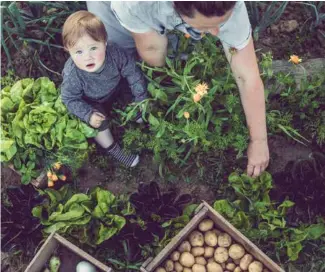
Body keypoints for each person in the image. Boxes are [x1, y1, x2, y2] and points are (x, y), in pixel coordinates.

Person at [87, 1, 269, 177]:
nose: (216, 32)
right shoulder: (136, 4)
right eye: (208, 26)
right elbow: (152, 50)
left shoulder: (231, 5)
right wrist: (165, 87)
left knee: (175, 50)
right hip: (116, 7)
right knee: (120, 60)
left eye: (221, 23)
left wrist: (259, 140)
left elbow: (247, 78)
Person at [61, 11, 148, 168]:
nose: (88, 57)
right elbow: (69, 99)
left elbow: (132, 72)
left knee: (131, 91)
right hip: (92, 100)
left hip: (116, 87)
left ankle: (141, 118)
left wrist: (140, 97)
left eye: (93, 48)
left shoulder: (115, 53)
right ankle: (114, 149)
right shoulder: (73, 74)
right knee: (98, 124)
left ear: (105, 42)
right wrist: (88, 114)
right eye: (78, 52)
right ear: (68, 50)